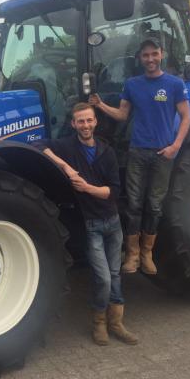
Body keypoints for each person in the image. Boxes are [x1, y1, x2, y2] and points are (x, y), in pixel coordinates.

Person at [38, 102, 138, 346]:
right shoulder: (68, 147)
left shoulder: (107, 152)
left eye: (89, 120)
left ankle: (116, 324)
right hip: (92, 225)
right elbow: (38, 145)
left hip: (112, 223)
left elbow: (113, 191)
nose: (85, 125)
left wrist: (87, 188)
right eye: (80, 121)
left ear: (96, 122)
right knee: (103, 277)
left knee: (114, 275)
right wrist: (66, 167)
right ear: (73, 124)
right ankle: (99, 324)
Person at [89, 39, 190, 275]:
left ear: (162, 54)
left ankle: (147, 254)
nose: (150, 59)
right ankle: (132, 256)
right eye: (146, 55)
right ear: (140, 58)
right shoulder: (133, 84)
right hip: (137, 152)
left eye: (154, 54)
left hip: (163, 154)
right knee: (134, 204)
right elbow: (123, 114)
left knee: (154, 205)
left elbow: (186, 117)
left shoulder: (174, 84)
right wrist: (101, 105)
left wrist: (175, 146)